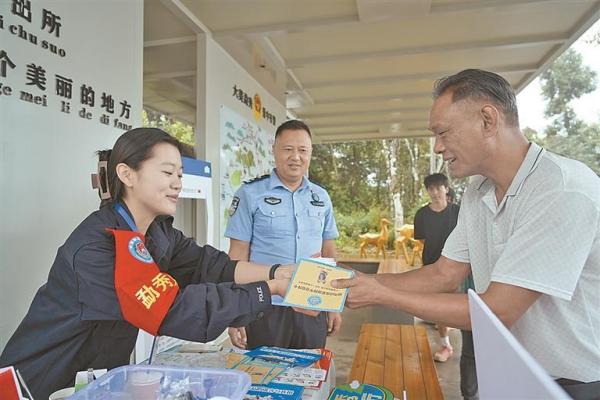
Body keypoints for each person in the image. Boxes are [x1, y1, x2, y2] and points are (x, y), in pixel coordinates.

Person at [333, 69, 600, 399]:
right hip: (512, 373)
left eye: (443, 133)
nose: (438, 147)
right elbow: (445, 274)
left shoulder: (561, 189)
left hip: (573, 385)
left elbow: (499, 310)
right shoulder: (477, 191)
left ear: (488, 120)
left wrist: (380, 294)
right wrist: (359, 281)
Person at [0, 128, 311, 400]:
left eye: (179, 173)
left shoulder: (157, 232)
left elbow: (211, 265)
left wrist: (278, 272)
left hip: (95, 380)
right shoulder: (97, 247)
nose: (177, 182)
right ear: (127, 174)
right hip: (41, 383)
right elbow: (174, 310)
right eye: (167, 172)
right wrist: (268, 290)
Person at [225, 119, 341, 349]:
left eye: (302, 150)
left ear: (310, 154)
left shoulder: (321, 197)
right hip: (264, 304)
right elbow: (237, 255)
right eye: (288, 149)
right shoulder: (250, 194)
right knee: (265, 377)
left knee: (311, 374)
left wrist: (334, 305)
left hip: (312, 303)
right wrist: (234, 310)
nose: (295, 157)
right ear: (274, 151)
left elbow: (329, 251)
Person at [414, 173, 460, 362]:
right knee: (440, 308)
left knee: (458, 308)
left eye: (438, 188)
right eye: (430, 189)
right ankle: (445, 344)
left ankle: (463, 344)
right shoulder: (422, 214)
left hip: (458, 266)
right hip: (432, 267)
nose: (434, 192)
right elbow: (423, 239)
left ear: (446, 189)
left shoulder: (458, 211)